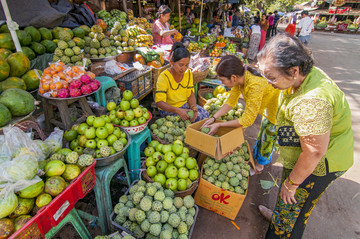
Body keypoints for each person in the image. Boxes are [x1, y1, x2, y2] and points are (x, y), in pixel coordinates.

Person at [256, 34, 353, 238]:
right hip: (307, 156)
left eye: (272, 77)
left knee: (293, 210)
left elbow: (314, 151)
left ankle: (280, 230)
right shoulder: (303, 77)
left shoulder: (312, 102)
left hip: (320, 163)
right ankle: (279, 215)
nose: (269, 83)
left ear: (294, 71)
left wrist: (292, 184)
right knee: (289, 201)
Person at [202, 55, 281, 173]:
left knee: (268, 135)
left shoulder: (255, 85)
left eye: (223, 80)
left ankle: (260, 165)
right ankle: (258, 154)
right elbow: (231, 102)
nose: (222, 84)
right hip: (265, 104)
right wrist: (214, 118)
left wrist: (219, 125)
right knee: (263, 132)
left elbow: (247, 120)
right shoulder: (240, 77)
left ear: (233, 77)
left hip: (276, 107)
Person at [155, 42, 209, 122]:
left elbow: (190, 94)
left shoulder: (188, 73)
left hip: (184, 105)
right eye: (181, 65)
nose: (184, 69)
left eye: (186, 65)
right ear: (172, 63)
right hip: (169, 109)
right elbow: (159, 103)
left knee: (205, 114)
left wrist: (193, 107)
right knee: (197, 119)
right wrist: (178, 111)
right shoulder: (164, 77)